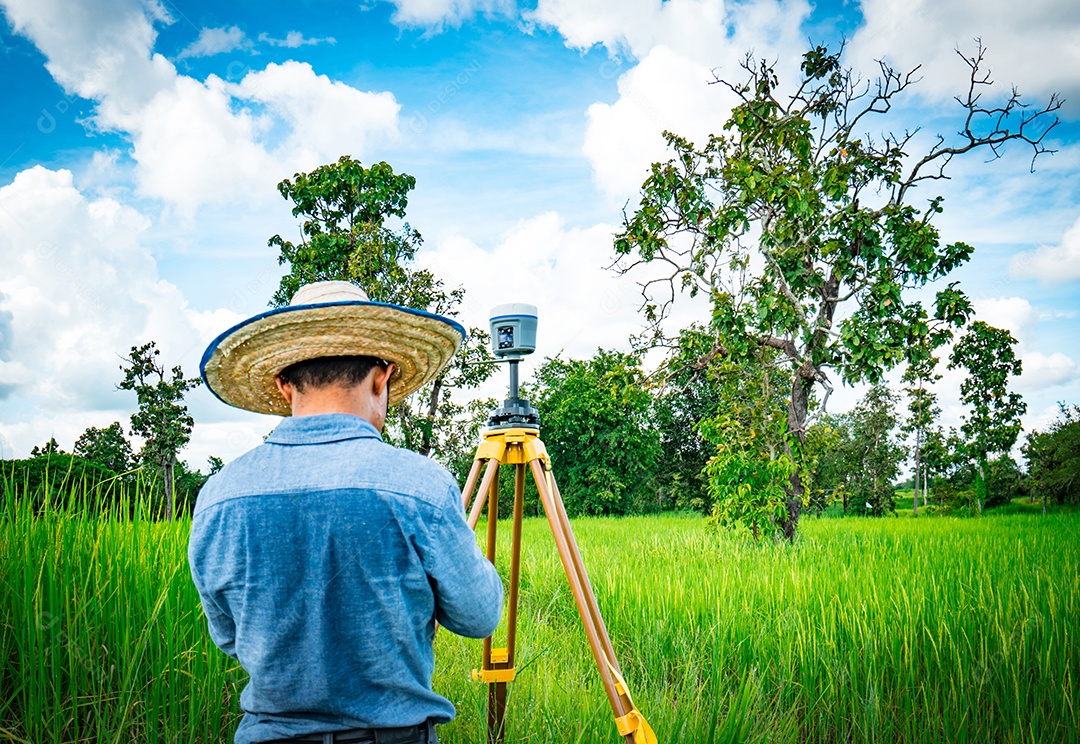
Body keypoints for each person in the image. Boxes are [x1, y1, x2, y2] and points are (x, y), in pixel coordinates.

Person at [189, 280, 503, 744]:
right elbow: (479, 615)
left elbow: (230, 638)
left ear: (283, 385)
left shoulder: (219, 495)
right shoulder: (419, 484)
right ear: (382, 377)